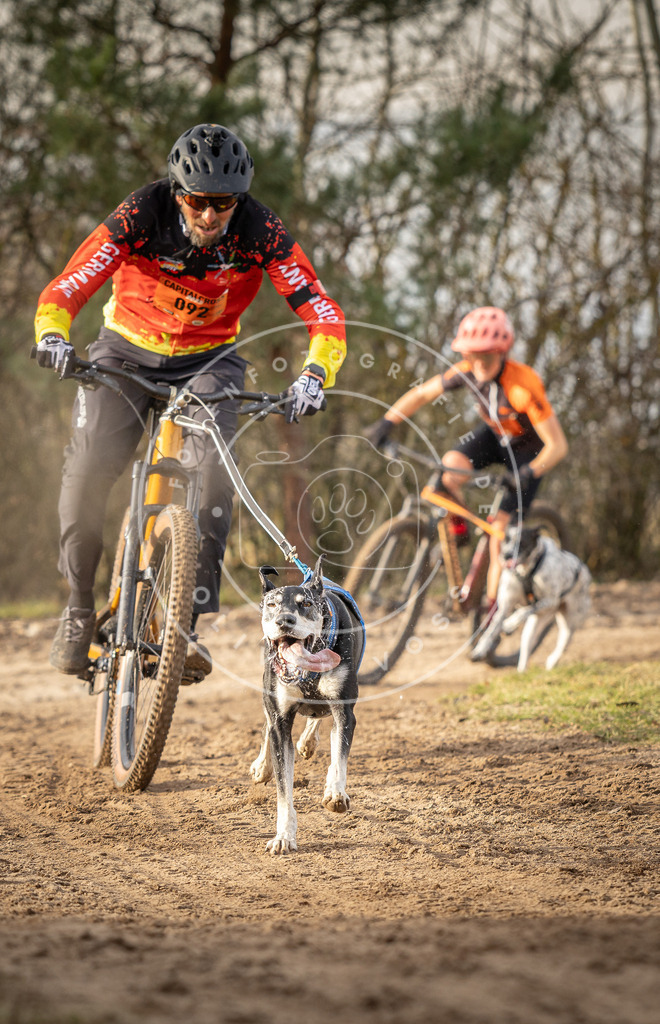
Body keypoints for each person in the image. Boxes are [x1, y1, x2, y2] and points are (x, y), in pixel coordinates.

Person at [34, 123, 346, 676]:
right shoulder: (140, 213)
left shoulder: (260, 231)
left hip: (210, 361)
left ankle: (186, 629)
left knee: (212, 487)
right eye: (199, 201)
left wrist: (315, 375)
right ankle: (80, 609)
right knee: (85, 476)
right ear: (179, 193)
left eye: (222, 203)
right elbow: (69, 284)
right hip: (124, 352)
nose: (209, 216)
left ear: (238, 199)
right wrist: (53, 335)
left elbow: (320, 309)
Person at [365, 306, 567, 645]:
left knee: (498, 532)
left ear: (502, 352)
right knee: (448, 468)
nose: (478, 364)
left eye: (485, 357)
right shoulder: (466, 371)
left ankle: (491, 614)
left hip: (529, 453)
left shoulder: (523, 386)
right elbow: (421, 394)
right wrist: (387, 423)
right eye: (471, 356)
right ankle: (460, 529)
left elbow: (558, 447)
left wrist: (527, 473)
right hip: (494, 436)